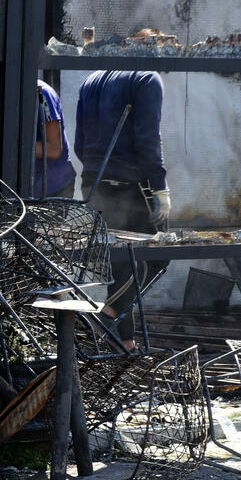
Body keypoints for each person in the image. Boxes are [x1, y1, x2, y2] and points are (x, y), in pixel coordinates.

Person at [75, 69, 171, 351]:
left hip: (92, 183)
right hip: (128, 185)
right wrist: (160, 187)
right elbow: (148, 136)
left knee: (120, 263)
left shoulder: (90, 79)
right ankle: (109, 316)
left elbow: (80, 142)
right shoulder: (146, 78)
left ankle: (124, 342)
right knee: (159, 254)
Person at [33, 79, 77, 199]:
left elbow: (54, 149)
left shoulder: (42, 93)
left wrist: (6, 148)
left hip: (53, 189)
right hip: (15, 189)